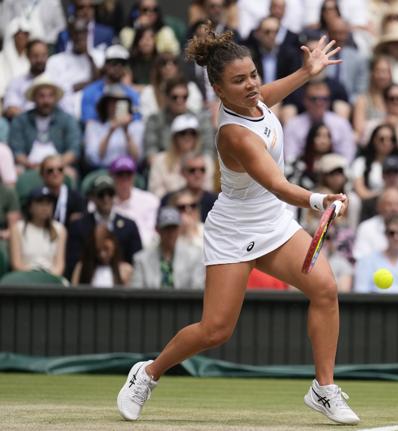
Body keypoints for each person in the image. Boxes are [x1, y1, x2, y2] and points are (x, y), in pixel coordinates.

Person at [116, 29, 361, 425]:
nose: (251, 85)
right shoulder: (233, 134)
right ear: (217, 89)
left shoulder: (253, 100)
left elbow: (269, 95)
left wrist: (307, 72)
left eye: (252, 75)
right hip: (234, 230)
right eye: (239, 80)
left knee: (326, 290)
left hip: (274, 224)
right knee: (215, 330)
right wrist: (320, 200)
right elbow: (279, 185)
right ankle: (147, 374)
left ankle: (324, 389)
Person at [65, 174, 142, 279]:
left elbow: (136, 262)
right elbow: (73, 263)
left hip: (121, 284)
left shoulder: (129, 226)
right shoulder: (79, 226)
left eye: (110, 194)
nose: (106, 199)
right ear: (92, 197)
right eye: (101, 194)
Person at [8, 75, 82, 174]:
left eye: (50, 96)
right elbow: (17, 151)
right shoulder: (21, 120)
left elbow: (74, 150)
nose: (46, 101)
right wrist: (29, 164)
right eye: (41, 96)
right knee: (16, 172)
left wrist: (54, 165)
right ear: (34, 98)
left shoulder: (68, 119)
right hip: (29, 166)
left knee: (71, 173)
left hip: (59, 166)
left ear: (55, 98)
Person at [130, 206, 204, 289]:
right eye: (166, 228)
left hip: (184, 301)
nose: (170, 233)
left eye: (174, 228)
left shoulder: (194, 256)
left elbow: (197, 289)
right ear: (158, 230)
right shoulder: (141, 259)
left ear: (179, 229)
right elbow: (137, 292)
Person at [147, 114, 215, 198]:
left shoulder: (206, 161)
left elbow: (207, 190)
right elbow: (155, 191)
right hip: (169, 207)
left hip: (198, 207)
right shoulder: (160, 160)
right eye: (183, 133)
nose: (188, 137)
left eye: (192, 133)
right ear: (174, 137)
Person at [353, 188, 398, 261]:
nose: (394, 209)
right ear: (379, 207)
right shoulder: (366, 228)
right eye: (389, 204)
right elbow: (361, 260)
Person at [9, 186, 66, 276]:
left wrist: (48, 279)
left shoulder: (60, 229)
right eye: (40, 203)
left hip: (51, 279)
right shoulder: (17, 228)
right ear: (30, 207)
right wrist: (35, 276)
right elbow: (16, 264)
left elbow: (59, 266)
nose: (45, 208)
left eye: (48, 203)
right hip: (25, 279)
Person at [84, 84, 144, 169]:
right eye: (112, 102)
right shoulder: (93, 126)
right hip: (102, 171)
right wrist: (110, 131)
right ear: (105, 104)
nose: (116, 105)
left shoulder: (137, 126)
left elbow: (137, 159)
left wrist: (126, 131)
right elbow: (94, 159)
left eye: (120, 102)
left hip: (128, 172)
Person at [110, 156, 160, 247]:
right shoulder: (104, 202)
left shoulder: (150, 200)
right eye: (120, 175)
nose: (124, 179)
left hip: (146, 248)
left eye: (128, 174)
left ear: (134, 177)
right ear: (112, 177)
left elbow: (152, 232)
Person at [159, 152, 219, 223]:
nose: (198, 174)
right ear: (182, 172)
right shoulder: (168, 199)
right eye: (192, 170)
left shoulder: (216, 202)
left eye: (202, 170)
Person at [2, 39, 48, 120]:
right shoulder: (16, 82)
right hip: (24, 126)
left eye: (43, 55)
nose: (40, 60)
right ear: (28, 56)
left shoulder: (55, 81)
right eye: (35, 56)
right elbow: (11, 109)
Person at [39, 155, 85, 228]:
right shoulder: (37, 198)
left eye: (60, 169)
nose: (55, 173)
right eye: (50, 170)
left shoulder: (76, 198)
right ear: (42, 174)